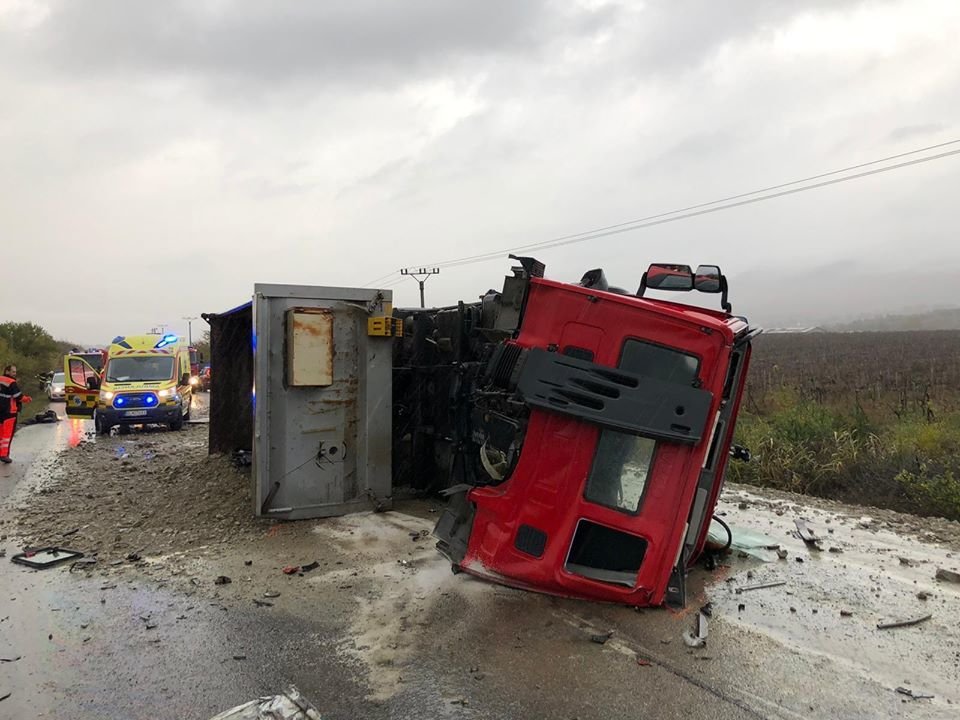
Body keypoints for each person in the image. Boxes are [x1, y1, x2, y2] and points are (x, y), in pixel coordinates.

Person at [0, 364, 32, 464]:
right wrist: (28, 399)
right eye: (13, 371)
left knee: (1, 433)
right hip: (10, 412)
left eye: (15, 372)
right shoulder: (12, 382)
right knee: (7, 434)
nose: (15, 373)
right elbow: (19, 397)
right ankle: (4, 455)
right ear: (7, 372)